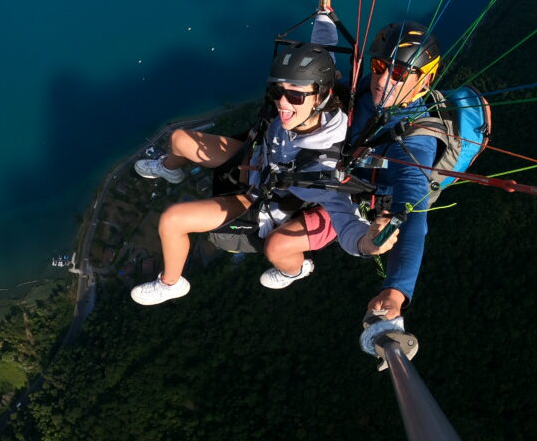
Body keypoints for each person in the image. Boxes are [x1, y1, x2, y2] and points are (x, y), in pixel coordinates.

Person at [130, 41, 398, 305]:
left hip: (264, 198)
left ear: (319, 96)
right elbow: (320, 49)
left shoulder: (323, 166)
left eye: (294, 96)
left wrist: (368, 244)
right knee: (179, 139)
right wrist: (324, 8)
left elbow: (345, 219)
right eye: (277, 91)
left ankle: (173, 283)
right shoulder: (317, 104)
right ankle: (168, 169)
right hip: (259, 161)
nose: (282, 102)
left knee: (172, 221)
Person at [266, 0, 442, 321]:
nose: (384, 79)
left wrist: (396, 292)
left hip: (354, 202)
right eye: (380, 65)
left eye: (401, 72)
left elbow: (415, 218)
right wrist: (325, 7)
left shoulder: (415, 141)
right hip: (327, 170)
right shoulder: (367, 92)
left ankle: (295, 268)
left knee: (276, 245)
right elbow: (328, 59)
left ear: (425, 80)